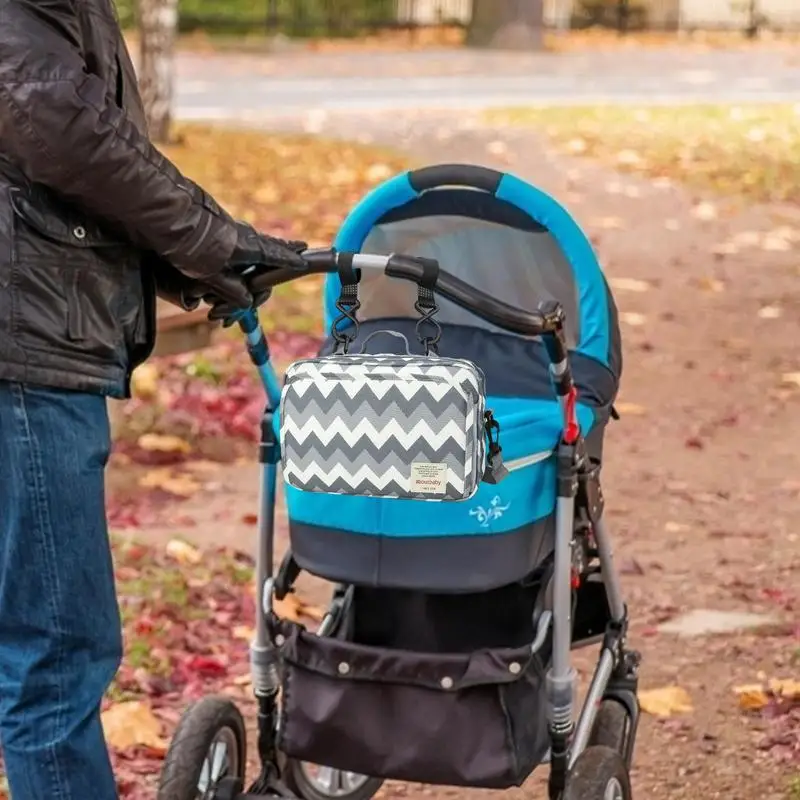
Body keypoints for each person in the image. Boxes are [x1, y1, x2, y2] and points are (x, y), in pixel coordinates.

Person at [0, 2, 307, 798]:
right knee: (55, 655)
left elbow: (69, 162)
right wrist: (217, 242)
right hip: (23, 353)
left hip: (27, 333)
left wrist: (199, 263)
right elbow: (64, 132)